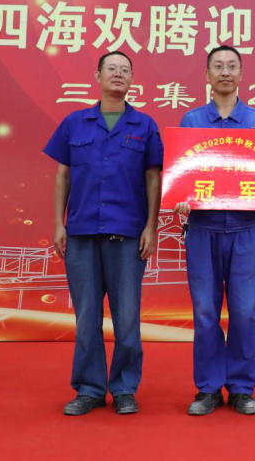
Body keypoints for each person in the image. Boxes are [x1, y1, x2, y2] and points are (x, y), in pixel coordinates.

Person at [44, 51, 163, 415]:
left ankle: (124, 388)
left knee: (127, 318)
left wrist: (151, 227)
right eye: (111, 68)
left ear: (132, 79)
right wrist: (58, 223)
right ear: (97, 76)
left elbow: (153, 178)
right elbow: (63, 175)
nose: (118, 74)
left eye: (125, 70)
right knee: (86, 317)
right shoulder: (75, 122)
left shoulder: (144, 125)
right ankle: (90, 388)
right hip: (81, 233)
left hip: (127, 235)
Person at [174, 45, 255, 416]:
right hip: (202, 229)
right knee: (205, 312)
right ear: (207, 75)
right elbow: (182, 172)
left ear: (241, 74)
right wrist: (181, 198)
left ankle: (241, 388)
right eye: (217, 66)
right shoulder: (192, 121)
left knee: (245, 312)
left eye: (232, 66)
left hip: (246, 229)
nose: (224, 72)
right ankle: (207, 388)